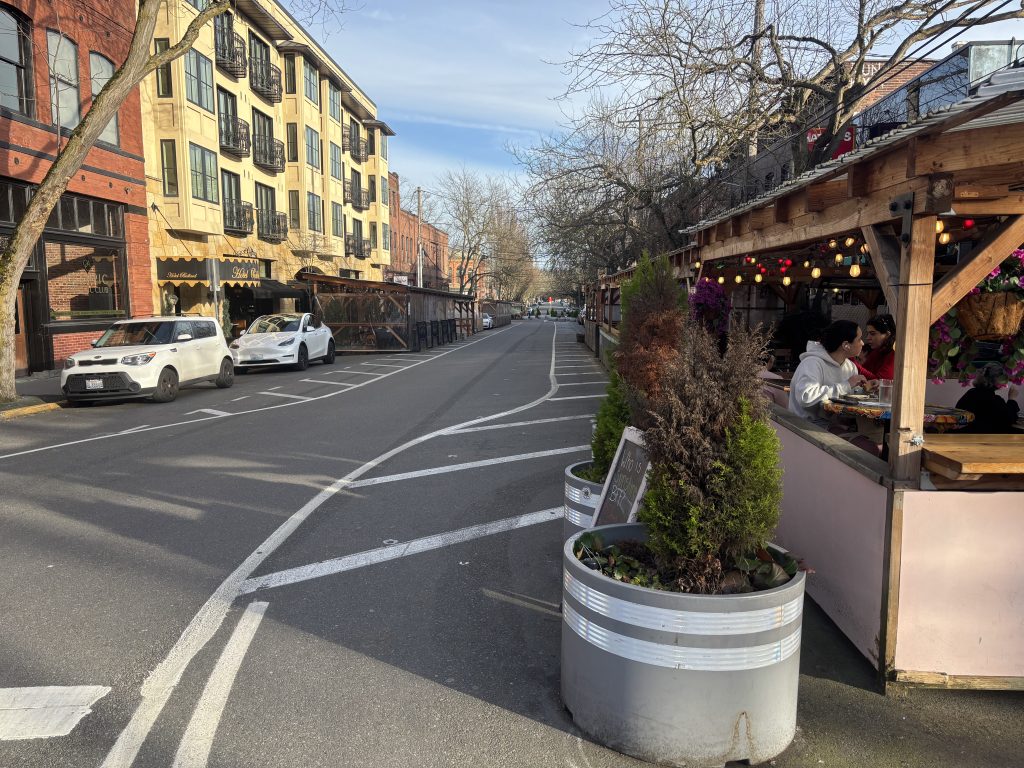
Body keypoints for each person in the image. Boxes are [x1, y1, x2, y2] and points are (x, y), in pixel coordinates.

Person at [789, 320, 870, 427]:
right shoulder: (812, 363)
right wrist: (846, 385)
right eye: (859, 339)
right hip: (806, 426)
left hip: (833, 424)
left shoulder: (850, 366)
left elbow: (849, 396)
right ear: (846, 345)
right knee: (866, 437)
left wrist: (866, 389)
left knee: (868, 433)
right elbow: (806, 398)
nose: (863, 343)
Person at [955, 363, 1021, 434]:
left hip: (963, 437)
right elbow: (1009, 419)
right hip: (983, 439)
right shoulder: (993, 400)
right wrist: (1012, 398)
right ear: (996, 380)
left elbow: (960, 419)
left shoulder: (970, 393)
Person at [855, 314, 896, 381]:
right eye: (868, 334)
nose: (868, 338)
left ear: (887, 334)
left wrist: (853, 363)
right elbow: (863, 371)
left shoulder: (894, 355)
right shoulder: (877, 352)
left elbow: (880, 382)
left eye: (873, 334)